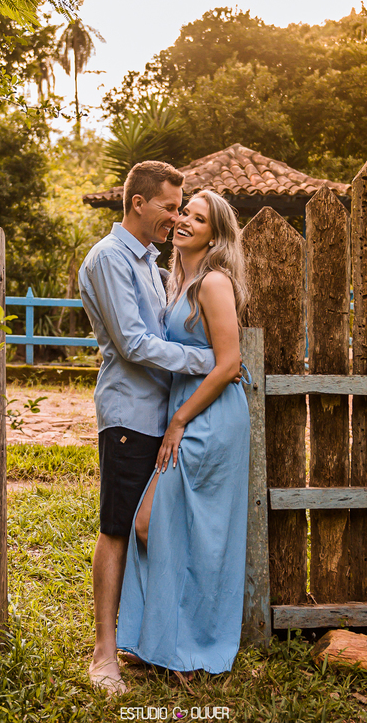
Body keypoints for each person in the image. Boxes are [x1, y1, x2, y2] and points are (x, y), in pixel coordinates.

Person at [77, 161, 217, 695]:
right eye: (169, 207)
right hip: (130, 417)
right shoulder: (110, 259)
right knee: (118, 528)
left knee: (155, 527)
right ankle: (104, 654)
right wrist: (209, 362)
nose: (175, 218)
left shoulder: (153, 266)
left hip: (165, 417)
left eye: (181, 210)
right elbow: (134, 344)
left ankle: (145, 640)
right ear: (138, 202)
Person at [116, 189, 250, 678]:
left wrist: (178, 420)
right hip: (188, 413)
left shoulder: (213, 282)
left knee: (183, 529)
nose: (186, 221)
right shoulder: (176, 280)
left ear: (214, 234)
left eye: (199, 218)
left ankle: (191, 650)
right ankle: (162, 643)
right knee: (156, 525)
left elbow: (229, 363)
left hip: (209, 418)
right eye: (183, 213)